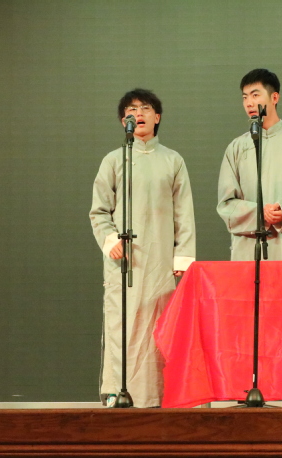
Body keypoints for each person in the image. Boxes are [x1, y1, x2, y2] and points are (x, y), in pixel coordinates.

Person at [216, 68, 282, 408]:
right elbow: (226, 204)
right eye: (245, 97)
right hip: (248, 248)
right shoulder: (237, 148)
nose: (249, 103)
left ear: (274, 97)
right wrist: (257, 212)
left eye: (256, 95)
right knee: (247, 321)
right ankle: (247, 388)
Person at [90, 89, 195, 408]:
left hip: (161, 264)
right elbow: (99, 211)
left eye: (145, 108)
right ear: (123, 120)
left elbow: (184, 214)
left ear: (157, 117)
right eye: (132, 110)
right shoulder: (113, 160)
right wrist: (111, 240)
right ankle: (117, 392)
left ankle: (159, 396)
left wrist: (183, 258)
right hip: (125, 263)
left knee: (160, 328)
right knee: (122, 325)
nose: (138, 114)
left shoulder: (173, 161)